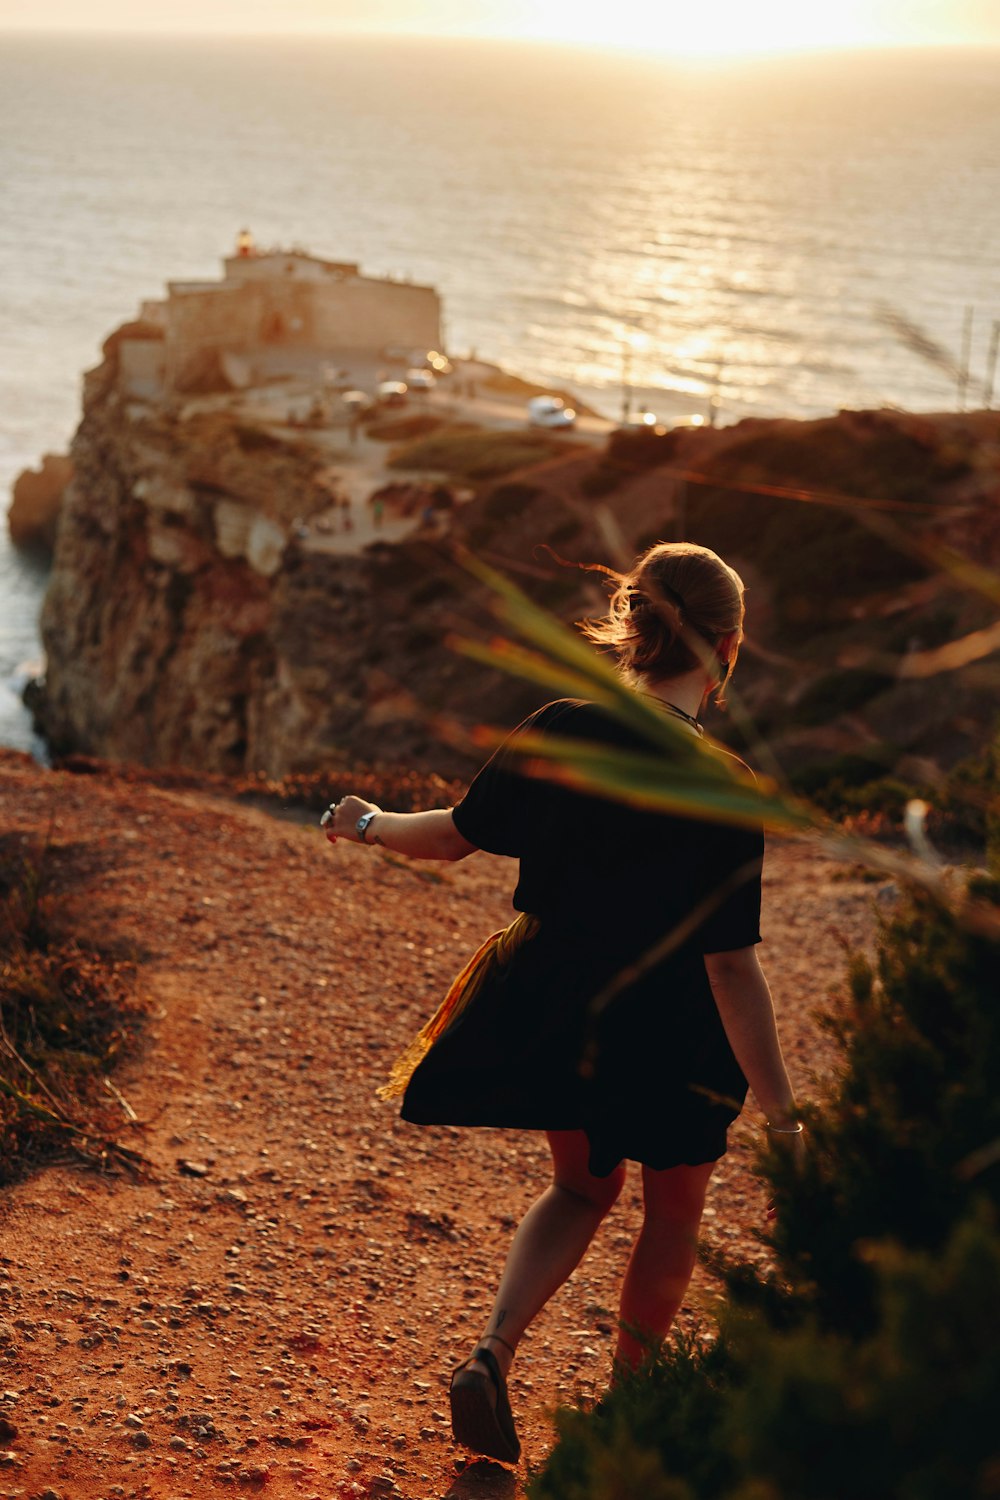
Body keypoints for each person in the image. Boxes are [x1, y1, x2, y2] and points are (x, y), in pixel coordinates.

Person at [321, 540, 802, 1466]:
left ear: (632, 627)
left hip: (558, 1005)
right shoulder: (726, 785)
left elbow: (458, 838)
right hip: (672, 1032)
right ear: (729, 649)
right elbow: (730, 967)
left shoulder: (562, 725)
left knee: (581, 1188)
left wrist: (369, 822)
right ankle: (630, 1411)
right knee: (671, 1214)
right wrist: (782, 1120)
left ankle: (493, 1353)